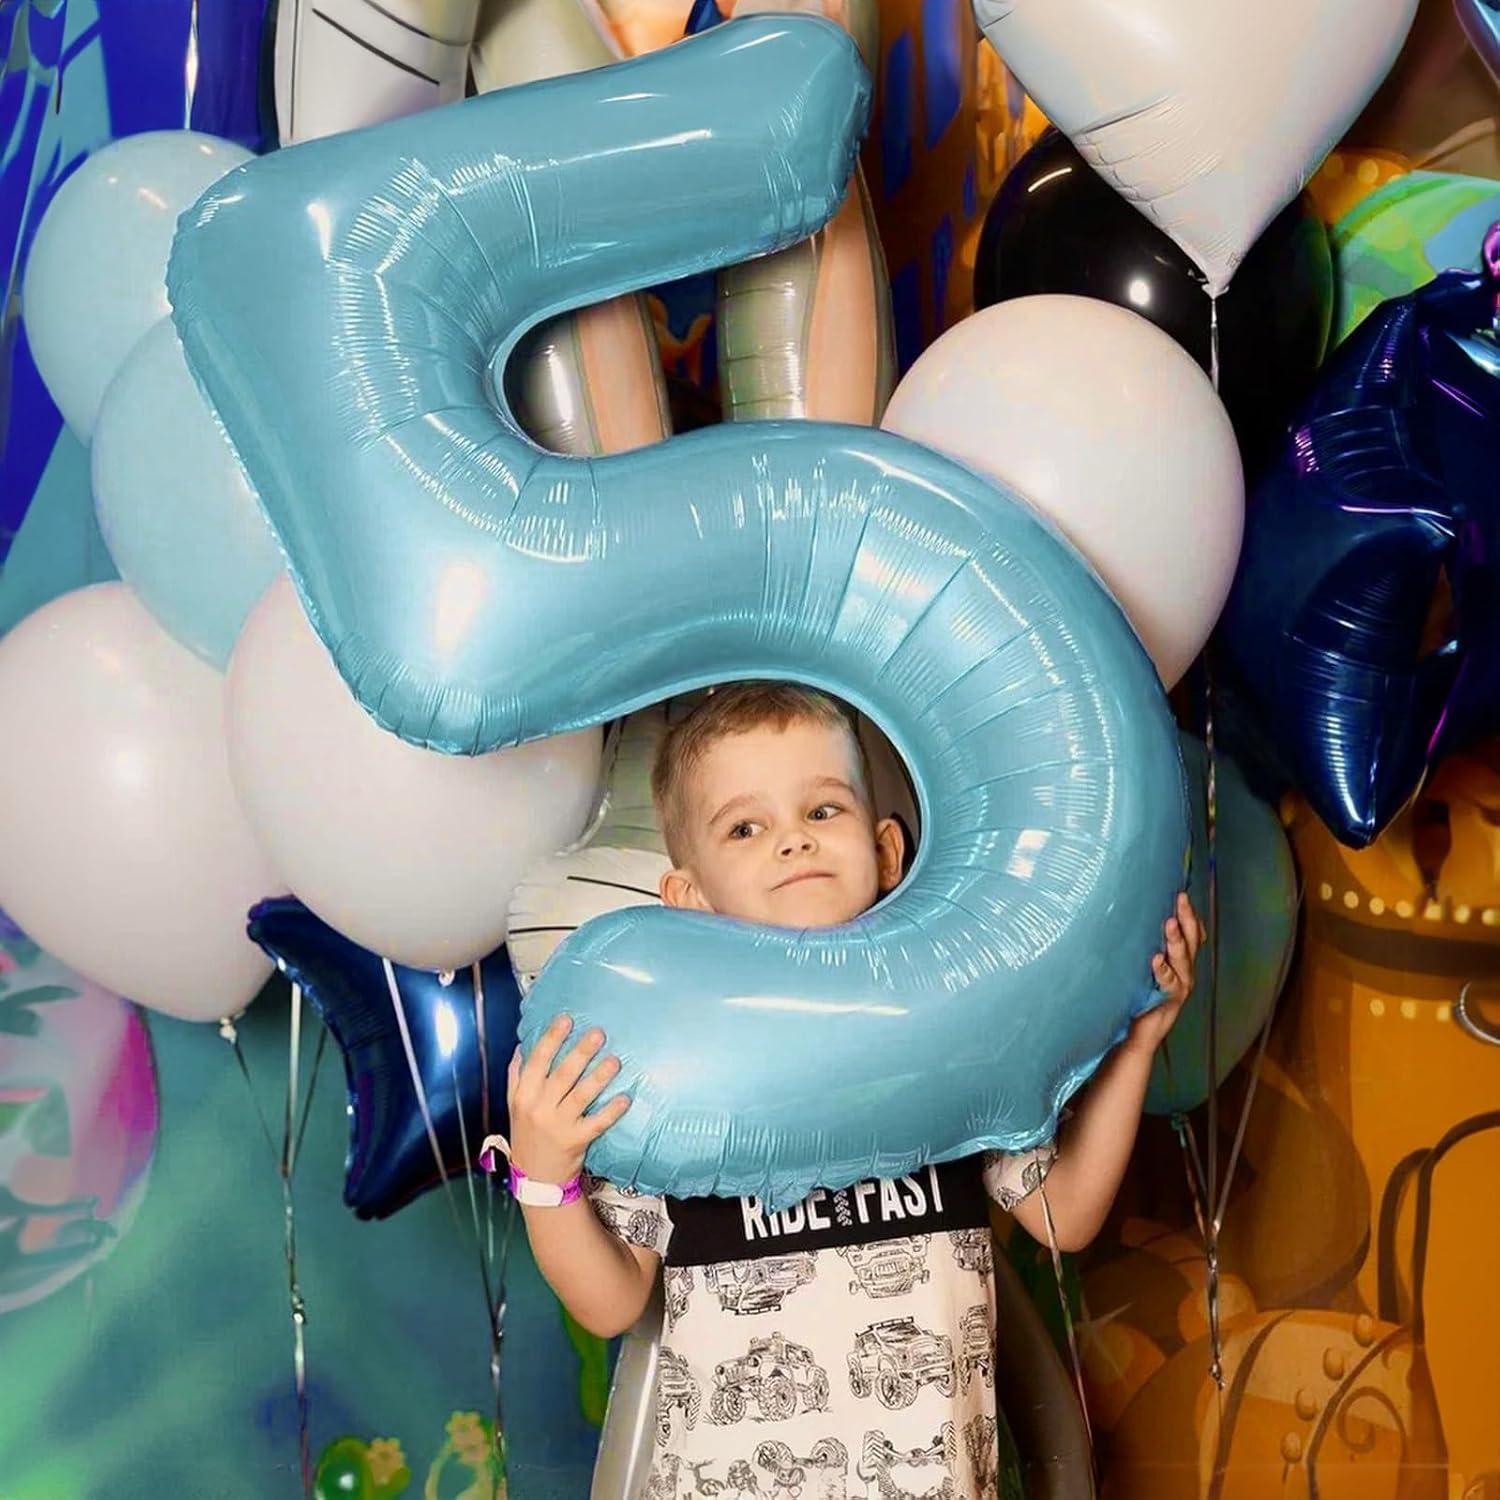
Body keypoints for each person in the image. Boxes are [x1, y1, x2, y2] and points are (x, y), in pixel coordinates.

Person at [504, 683, 1202, 1497]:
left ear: (888, 852)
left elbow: (1061, 1216)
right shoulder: (674, 1073)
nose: (793, 843)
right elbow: (613, 1300)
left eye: (822, 811)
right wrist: (544, 1176)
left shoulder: (949, 1034)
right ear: (687, 900)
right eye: (746, 827)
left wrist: (1135, 1050)